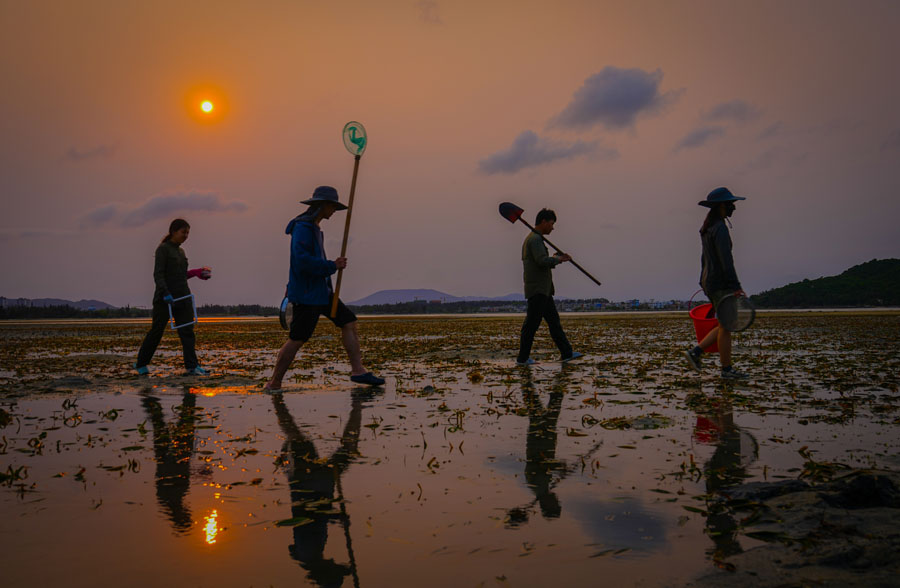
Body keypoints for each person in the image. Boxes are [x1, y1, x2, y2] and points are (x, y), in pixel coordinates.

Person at [266, 186, 384, 390]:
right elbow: (301, 261)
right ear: (322, 205)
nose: (334, 212)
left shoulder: (315, 228)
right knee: (297, 338)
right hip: (307, 294)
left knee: (348, 321)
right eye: (332, 207)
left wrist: (330, 268)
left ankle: (358, 371)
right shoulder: (303, 228)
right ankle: (274, 382)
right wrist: (332, 266)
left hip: (322, 292)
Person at [684, 187, 749, 379]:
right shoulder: (718, 228)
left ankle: (696, 353)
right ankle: (726, 369)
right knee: (727, 326)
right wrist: (735, 285)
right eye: (731, 205)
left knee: (723, 324)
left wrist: (704, 281)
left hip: (709, 282)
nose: (733, 208)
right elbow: (725, 260)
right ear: (722, 206)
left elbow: (705, 259)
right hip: (720, 283)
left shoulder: (708, 227)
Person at [135, 218, 211, 375]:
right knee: (157, 331)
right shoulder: (163, 249)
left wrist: (197, 273)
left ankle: (192, 366)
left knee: (187, 332)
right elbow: (158, 274)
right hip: (165, 299)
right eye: (183, 232)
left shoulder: (181, 252)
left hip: (183, 297)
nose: (186, 236)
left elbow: (181, 275)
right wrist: (166, 293)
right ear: (173, 231)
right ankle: (141, 364)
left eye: (188, 233)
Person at [516, 208, 582, 366]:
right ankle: (522, 359)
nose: (553, 227)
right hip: (538, 290)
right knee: (531, 326)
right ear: (544, 222)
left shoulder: (535, 239)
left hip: (544, 290)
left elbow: (543, 259)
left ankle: (567, 353)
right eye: (552, 224)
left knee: (554, 323)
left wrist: (555, 258)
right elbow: (541, 261)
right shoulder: (535, 239)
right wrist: (559, 260)